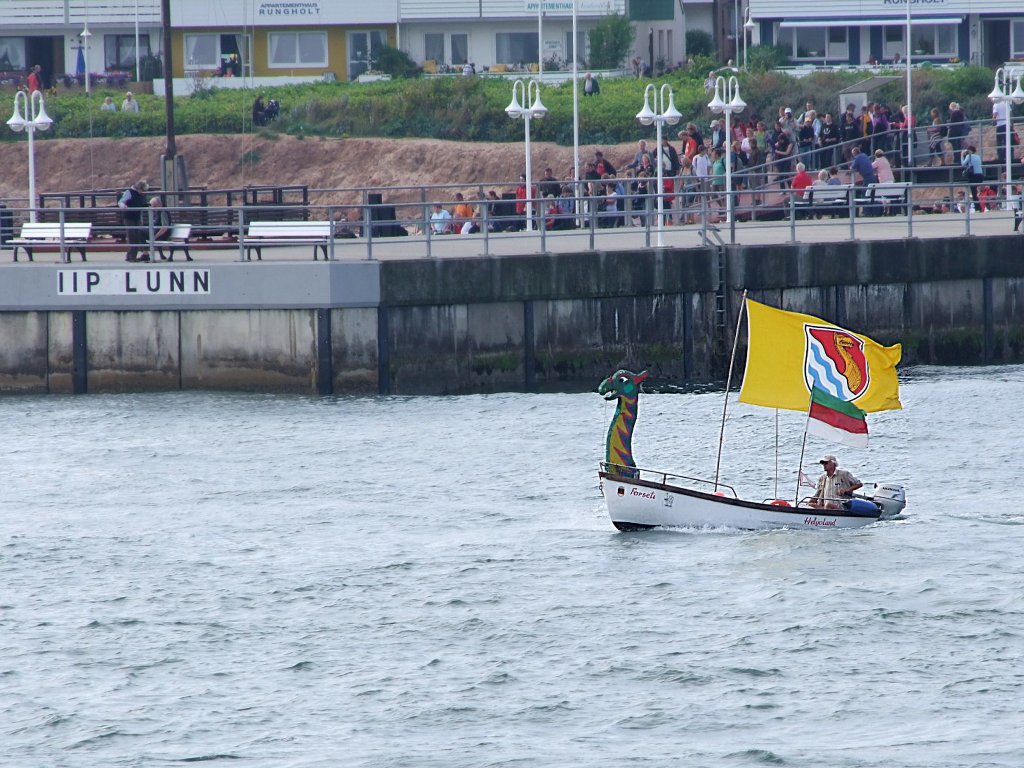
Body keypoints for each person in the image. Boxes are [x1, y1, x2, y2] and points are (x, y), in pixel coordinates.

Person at [118, 180, 150, 262]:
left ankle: (130, 255)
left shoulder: (140, 195)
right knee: (132, 236)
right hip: (129, 217)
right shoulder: (129, 192)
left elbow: (141, 205)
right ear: (139, 188)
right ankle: (132, 256)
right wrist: (124, 206)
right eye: (142, 190)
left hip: (137, 217)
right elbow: (121, 202)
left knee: (138, 235)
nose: (143, 192)